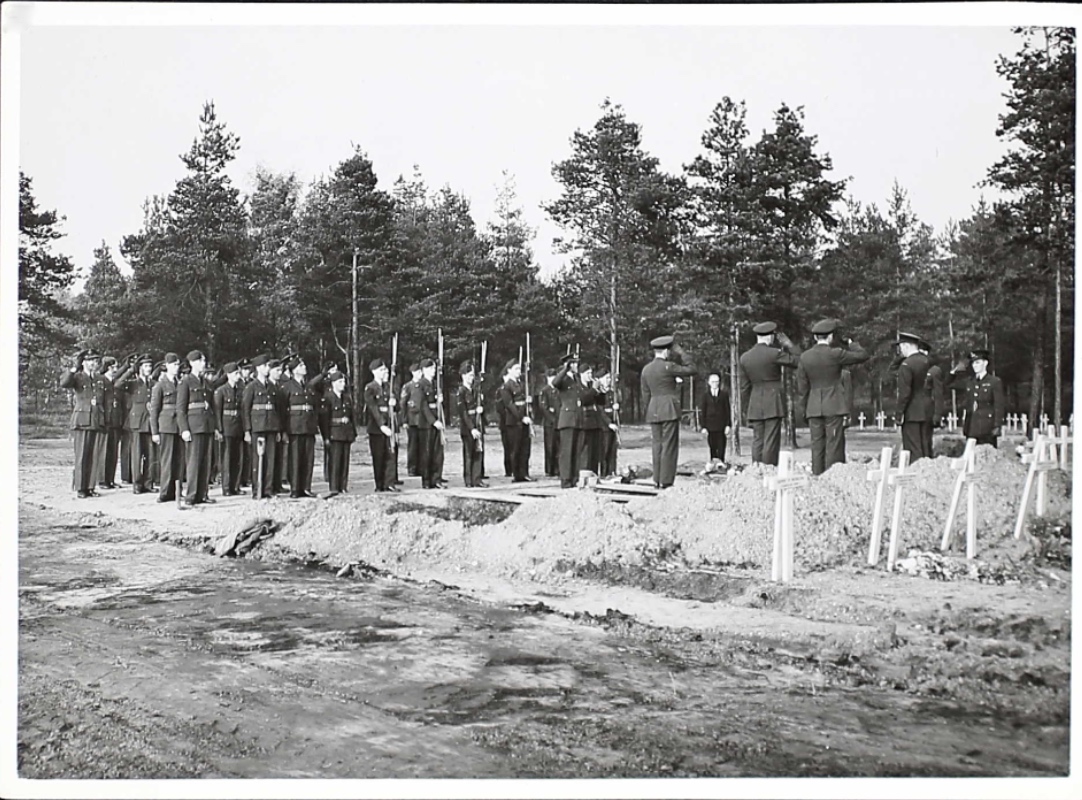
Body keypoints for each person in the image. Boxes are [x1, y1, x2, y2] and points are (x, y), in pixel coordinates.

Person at [796, 319, 870, 475]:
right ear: (830, 337)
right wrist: (850, 342)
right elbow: (863, 355)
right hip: (834, 405)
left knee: (817, 447)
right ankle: (832, 478)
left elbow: (802, 389)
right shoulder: (835, 354)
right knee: (834, 445)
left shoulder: (805, 357)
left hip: (814, 406)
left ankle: (817, 478)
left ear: (816, 337)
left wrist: (803, 411)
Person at [738, 321, 801, 466]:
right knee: (771, 440)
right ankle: (769, 469)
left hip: (755, 402)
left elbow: (744, 387)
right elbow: (799, 361)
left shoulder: (745, 357)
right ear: (770, 337)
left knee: (758, 440)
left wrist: (746, 408)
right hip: (773, 401)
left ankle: (755, 470)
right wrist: (789, 345)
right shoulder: (774, 354)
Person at [641, 335, 697, 489]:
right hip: (669, 409)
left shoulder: (646, 370)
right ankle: (666, 481)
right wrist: (681, 352)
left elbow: (645, 394)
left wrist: (650, 409)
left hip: (654, 409)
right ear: (666, 351)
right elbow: (692, 369)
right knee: (669, 445)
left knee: (657, 445)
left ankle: (657, 479)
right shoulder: (669, 366)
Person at [59, 349, 107, 498]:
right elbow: (64, 383)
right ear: (84, 362)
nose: (94, 363)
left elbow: (103, 399)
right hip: (82, 420)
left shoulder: (99, 378)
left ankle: (90, 487)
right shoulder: (78, 377)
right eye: (91, 360)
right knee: (82, 455)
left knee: (93, 455)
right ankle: (80, 487)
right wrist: (74, 368)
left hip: (96, 419)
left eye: (96, 360)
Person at [177, 349, 217, 508]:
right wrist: (184, 429)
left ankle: (203, 493)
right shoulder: (185, 382)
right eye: (200, 361)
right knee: (193, 462)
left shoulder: (206, 382)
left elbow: (211, 405)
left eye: (204, 361)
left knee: (206, 462)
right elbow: (181, 409)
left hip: (206, 425)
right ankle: (191, 495)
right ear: (193, 363)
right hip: (193, 426)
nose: (203, 364)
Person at [241, 354, 282, 499]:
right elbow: (245, 409)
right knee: (257, 460)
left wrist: (278, 429)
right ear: (258, 368)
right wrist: (247, 430)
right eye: (265, 366)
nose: (267, 369)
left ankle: (268, 490)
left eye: (268, 366)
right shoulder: (251, 387)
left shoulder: (272, 386)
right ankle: (257, 490)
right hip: (257, 427)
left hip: (271, 426)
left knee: (270, 459)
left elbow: (276, 409)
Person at [946, 348, 1006, 447]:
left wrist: (997, 425)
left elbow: (999, 405)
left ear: (985, 363)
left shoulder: (994, 382)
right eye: (973, 363)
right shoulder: (969, 382)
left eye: (978, 363)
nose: (975, 366)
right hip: (971, 426)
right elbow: (948, 385)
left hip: (987, 427)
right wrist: (954, 371)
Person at [281, 355, 321, 498]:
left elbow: (315, 407)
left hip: (308, 427)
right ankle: (295, 489)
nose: (304, 368)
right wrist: (284, 430)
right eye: (301, 366)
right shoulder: (287, 387)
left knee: (308, 458)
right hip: (294, 427)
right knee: (295, 458)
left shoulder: (309, 386)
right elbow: (282, 409)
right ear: (294, 370)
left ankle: (306, 487)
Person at [891, 333, 935, 461]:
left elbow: (904, 393)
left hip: (912, 412)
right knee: (926, 447)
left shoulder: (907, 365)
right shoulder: (929, 361)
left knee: (914, 449)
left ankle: (916, 476)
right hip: (927, 409)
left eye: (901, 347)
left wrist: (899, 414)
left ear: (906, 346)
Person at [149, 352, 185, 502]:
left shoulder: (181, 383)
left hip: (179, 426)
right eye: (174, 365)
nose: (176, 368)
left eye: (178, 365)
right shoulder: (159, 385)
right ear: (167, 366)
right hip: (166, 426)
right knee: (166, 459)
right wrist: (155, 431)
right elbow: (154, 410)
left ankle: (176, 491)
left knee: (179, 460)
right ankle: (165, 492)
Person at [121, 354, 156, 494]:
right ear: (140, 368)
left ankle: (148, 483)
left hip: (150, 423)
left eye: (150, 366)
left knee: (151, 455)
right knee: (136, 455)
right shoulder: (133, 383)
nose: (149, 369)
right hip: (136, 423)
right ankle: (137, 483)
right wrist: (130, 370)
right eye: (146, 366)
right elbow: (118, 384)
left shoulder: (154, 384)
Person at [98, 355, 133, 489]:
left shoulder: (115, 383)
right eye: (113, 367)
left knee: (113, 453)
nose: (115, 370)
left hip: (116, 422)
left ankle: (110, 479)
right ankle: (102, 480)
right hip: (106, 421)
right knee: (104, 452)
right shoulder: (102, 381)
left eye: (116, 367)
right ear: (107, 367)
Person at [319, 370, 356, 497]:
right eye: (340, 382)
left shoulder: (346, 398)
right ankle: (334, 486)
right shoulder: (328, 398)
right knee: (335, 461)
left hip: (346, 432)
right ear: (333, 383)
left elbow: (351, 417)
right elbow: (324, 420)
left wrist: (353, 433)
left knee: (345, 460)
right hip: (334, 432)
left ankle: (343, 486)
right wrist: (326, 436)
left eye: (344, 382)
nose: (343, 384)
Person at [364, 358, 398, 493]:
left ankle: (389, 483)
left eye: (385, 369)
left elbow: (398, 408)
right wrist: (382, 425)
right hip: (377, 428)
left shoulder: (389, 387)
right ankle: (379, 484)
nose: (385, 372)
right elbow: (373, 408)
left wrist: (394, 404)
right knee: (378, 456)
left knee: (391, 455)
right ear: (374, 372)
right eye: (382, 370)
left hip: (390, 425)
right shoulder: (370, 388)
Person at [413, 358, 447, 489]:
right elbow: (422, 405)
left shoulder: (436, 384)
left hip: (437, 419)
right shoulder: (420, 385)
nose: (433, 371)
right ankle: (426, 480)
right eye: (430, 368)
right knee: (426, 453)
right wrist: (433, 421)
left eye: (434, 368)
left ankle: (436, 479)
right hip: (426, 423)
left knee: (438, 452)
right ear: (423, 370)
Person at [553, 353, 586, 488]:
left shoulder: (576, 379)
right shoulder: (564, 379)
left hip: (577, 418)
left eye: (576, 363)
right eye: (573, 364)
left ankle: (574, 477)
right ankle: (565, 479)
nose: (576, 366)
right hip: (567, 418)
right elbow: (555, 383)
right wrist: (564, 369)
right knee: (567, 451)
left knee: (576, 450)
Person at [498, 358, 534, 483]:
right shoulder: (506, 386)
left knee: (525, 448)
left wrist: (528, 406)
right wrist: (521, 417)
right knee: (515, 448)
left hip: (524, 420)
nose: (519, 371)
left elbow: (523, 401)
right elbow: (510, 405)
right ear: (509, 370)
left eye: (519, 369)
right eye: (516, 369)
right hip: (513, 421)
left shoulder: (522, 384)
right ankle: (516, 473)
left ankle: (524, 472)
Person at [214, 362, 245, 496]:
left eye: (238, 373)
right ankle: (226, 487)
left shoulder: (241, 389)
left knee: (238, 458)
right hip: (226, 427)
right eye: (236, 373)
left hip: (238, 426)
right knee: (226, 458)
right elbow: (217, 411)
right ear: (228, 375)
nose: (238, 376)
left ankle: (235, 486)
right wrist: (219, 429)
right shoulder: (221, 391)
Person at [456, 360, 487, 488]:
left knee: (478, 452)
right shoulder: (461, 392)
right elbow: (463, 413)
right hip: (468, 427)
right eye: (469, 375)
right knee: (469, 453)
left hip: (478, 423)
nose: (471, 378)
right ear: (463, 376)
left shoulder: (475, 391)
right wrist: (472, 428)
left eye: (472, 375)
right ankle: (468, 480)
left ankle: (477, 478)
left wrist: (482, 407)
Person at [699, 373, 732, 462]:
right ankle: (713, 463)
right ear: (709, 383)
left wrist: (728, 425)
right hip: (710, 425)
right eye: (713, 382)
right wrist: (703, 426)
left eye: (717, 381)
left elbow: (727, 410)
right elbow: (703, 411)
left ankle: (721, 463)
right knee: (712, 446)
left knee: (721, 445)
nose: (715, 383)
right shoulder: (705, 396)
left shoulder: (724, 395)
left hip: (721, 425)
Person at [595, 367, 620, 478]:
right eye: (607, 378)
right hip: (603, 426)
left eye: (609, 378)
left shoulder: (611, 393)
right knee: (603, 451)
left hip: (613, 425)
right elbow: (600, 411)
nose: (609, 380)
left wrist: (617, 408)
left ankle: (611, 471)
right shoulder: (598, 394)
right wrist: (609, 423)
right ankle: (604, 472)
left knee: (612, 450)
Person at [539, 368, 561, 477]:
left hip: (558, 421)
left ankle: (557, 468)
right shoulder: (545, 391)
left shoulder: (558, 390)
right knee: (549, 446)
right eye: (551, 377)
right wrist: (552, 419)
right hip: (549, 423)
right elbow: (544, 408)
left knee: (557, 446)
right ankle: (549, 469)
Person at [402, 362, 422, 477]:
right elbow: (403, 403)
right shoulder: (408, 386)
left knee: (422, 445)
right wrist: (404, 420)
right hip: (412, 420)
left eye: (420, 372)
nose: (420, 374)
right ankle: (412, 468)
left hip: (422, 420)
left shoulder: (424, 385)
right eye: (417, 372)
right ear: (413, 373)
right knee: (413, 445)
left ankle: (421, 467)